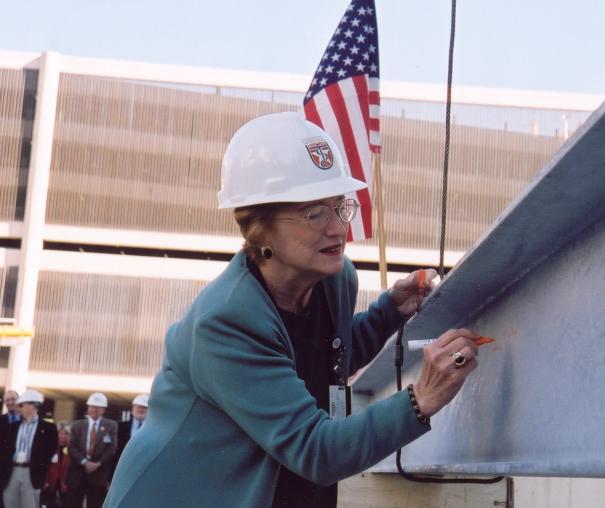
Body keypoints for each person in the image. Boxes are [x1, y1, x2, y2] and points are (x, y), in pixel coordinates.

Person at [105, 112, 479, 508]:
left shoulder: (335, 279)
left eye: (340, 207)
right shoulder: (225, 321)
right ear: (259, 226)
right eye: (314, 213)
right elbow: (315, 450)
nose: (338, 229)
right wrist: (420, 399)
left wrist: (388, 312)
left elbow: (324, 356)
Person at [0, 389, 58, 508]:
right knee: (9, 503)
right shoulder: (13, 426)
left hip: (32, 473)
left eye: (22, 405)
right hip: (11, 472)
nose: (19, 408)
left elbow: (50, 452)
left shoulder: (48, 428)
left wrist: (40, 472)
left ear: (33, 406)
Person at [65, 393, 116, 508]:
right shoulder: (77, 425)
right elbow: (71, 447)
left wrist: (97, 464)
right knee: (73, 504)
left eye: (97, 407)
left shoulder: (111, 425)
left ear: (103, 409)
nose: (93, 409)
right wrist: (84, 462)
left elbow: (112, 448)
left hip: (99, 475)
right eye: (91, 406)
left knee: (95, 504)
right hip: (77, 474)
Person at [41, 422, 71, 508]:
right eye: (60, 433)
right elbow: (45, 466)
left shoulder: (71, 449)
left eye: (65, 433)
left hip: (65, 484)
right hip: (50, 483)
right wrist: (45, 481)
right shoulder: (50, 447)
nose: (62, 436)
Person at [115, 394, 148, 465]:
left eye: (144, 407)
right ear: (133, 408)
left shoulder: (153, 429)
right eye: (138, 407)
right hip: (124, 464)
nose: (141, 409)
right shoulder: (120, 426)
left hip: (145, 463)